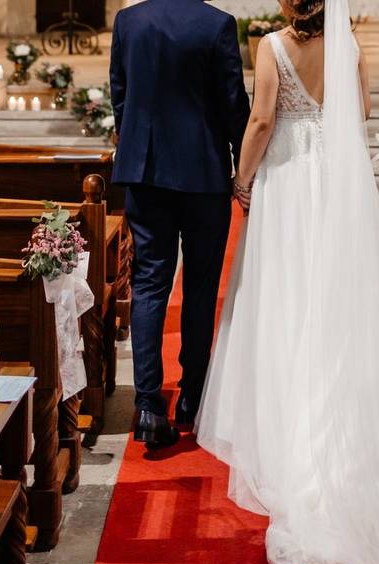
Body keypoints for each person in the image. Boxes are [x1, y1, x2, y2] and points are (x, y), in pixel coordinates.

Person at [194, 0, 379, 564]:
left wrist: (242, 180)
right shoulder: (352, 44)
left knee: (287, 305)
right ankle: (337, 439)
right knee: (333, 307)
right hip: (337, 184)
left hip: (285, 180)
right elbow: (359, 112)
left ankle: (294, 446)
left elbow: (259, 120)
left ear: (284, 3)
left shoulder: (270, 47)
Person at [109, 0, 251, 449]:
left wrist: (135, 146)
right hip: (202, 172)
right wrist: (245, 162)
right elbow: (232, 102)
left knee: (150, 281)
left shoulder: (128, 20)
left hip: (145, 170)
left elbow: (121, 93)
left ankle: (149, 404)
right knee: (201, 287)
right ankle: (192, 396)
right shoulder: (216, 24)